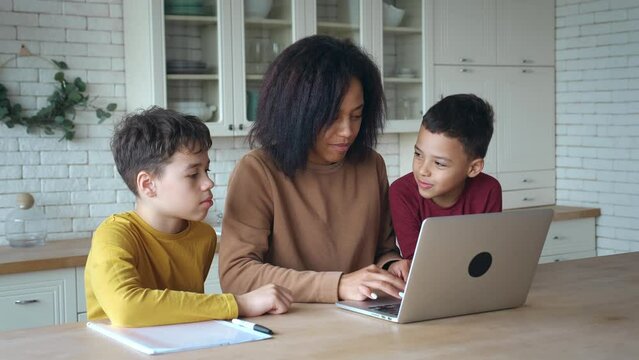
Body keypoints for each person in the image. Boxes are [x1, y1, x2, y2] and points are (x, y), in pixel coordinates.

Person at [218, 35, 408, 303]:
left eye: (356, 115)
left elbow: (383, 249)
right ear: (296, 112)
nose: (347, 131)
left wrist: (392, 265)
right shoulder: (258, 171)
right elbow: (236, 275)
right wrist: (337, 285)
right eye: (331, 117)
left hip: (363, 318)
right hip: (292, 324)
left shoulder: (370, 164)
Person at [84, 107, 292, 327]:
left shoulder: (204, 236)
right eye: (193, 174)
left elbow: (184, 316)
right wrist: (240, 304)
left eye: (206, 171)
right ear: (148, 185)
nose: (208, 183)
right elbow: (126, 308)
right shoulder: (113, 235)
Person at [389, 94, 502, 260]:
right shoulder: (401, 192)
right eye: (418, 154)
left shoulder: (489, 190)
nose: (423, 171)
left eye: (439, 163)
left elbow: (486, 254)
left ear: (473, 168)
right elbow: (416, 262)